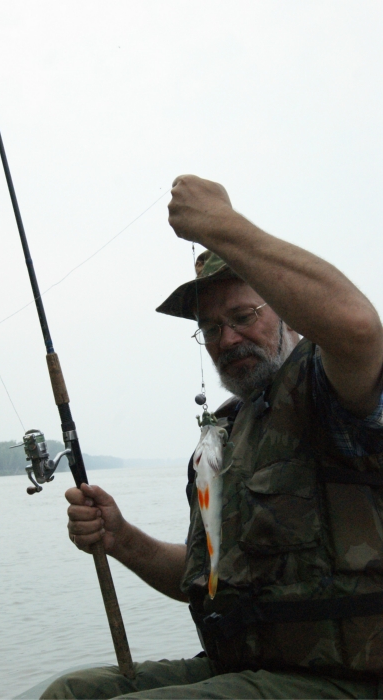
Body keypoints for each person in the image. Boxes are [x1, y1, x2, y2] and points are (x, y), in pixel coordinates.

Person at [41, 175, 383, 699]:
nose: (227, 338)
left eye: (243, 316)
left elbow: (360, 330)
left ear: (286, 310)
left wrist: (223, 228)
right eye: (211, 327)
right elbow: (206, 581)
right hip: (243, 669)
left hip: (347, 681)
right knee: (70, 692)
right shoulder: (224, 435)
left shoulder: (330, 390)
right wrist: (122, 539)